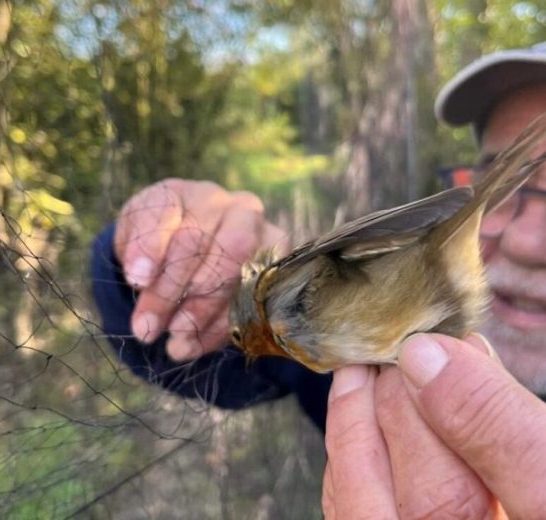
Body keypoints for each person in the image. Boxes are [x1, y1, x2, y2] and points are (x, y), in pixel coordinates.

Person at [91, 42, 546, 438]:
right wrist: (153, 259)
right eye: (499, 180)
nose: (527, 242)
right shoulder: (326, 363)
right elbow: (185, 360)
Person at [324, 42, 546, 518]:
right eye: (500, 186)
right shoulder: (395, 346)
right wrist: (140, 264)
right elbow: (245, 356)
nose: (526, 243)